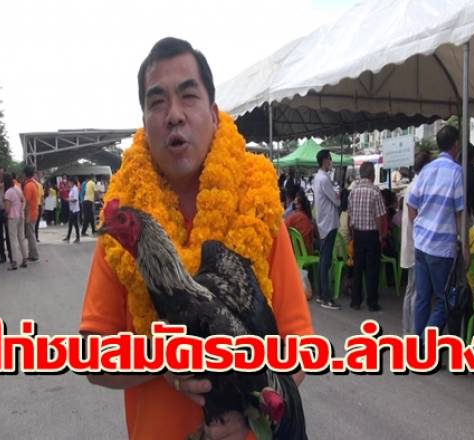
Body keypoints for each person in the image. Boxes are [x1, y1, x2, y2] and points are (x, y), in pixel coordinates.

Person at [79, 37, 312, 440]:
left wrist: (251, 414)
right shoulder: (123, 231)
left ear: (214, 115)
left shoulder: (258, 213)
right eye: (157, 102)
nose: (174, 115)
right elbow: (92, 358)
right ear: (145, 123)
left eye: (188, 96)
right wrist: (164, 358)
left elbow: (299, 350)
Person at [407, 125, 465, 339]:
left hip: (422, 243)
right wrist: (465, 248)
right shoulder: (456, 172)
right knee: (444, 300)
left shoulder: (426, 170)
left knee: (423, 298)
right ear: (456, 145)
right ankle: (424, 343)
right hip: (441, 248)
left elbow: (411, 204)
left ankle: (418, 346)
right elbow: (460, 214)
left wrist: (420, 227)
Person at [400, 151, 432, 335]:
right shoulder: (420, 186)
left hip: (411, 243)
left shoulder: (412, 186)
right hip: (417, 244)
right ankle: (412, 331)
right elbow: (416, 217)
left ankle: (408, 330)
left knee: (410, 289)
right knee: (416, 291)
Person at [348, 162, 386, 311]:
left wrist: (352, 234)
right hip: (371, 235)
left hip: (358, 234)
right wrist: (381, 235)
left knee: (357, 268)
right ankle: (372, 302)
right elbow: (379, 216)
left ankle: (355, 301)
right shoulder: (375, 191)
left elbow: (350, 216)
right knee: (372, 269)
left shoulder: (353, 191)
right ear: (372, 175)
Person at [312, 149, 341, 309]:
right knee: (326, 261)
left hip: (323, 222)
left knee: (323, 259)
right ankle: (326, 298)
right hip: (329, 223)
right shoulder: (324, 179)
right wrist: (338, 196)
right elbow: (336, 202)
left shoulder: (318, 177)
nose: (331, 162)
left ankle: (321, 294)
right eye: (330, 159)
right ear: (325, 160)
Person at [4, 174, 27, 271]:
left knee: (13, 240)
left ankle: (14, 262)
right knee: (21, 238)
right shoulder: (18, 188)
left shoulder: (8, 192)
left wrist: (5, 215)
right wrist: (21, 211)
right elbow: (24, 200)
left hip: (13, 217)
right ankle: (25, 259)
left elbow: (7, 209)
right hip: (21, 216)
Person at [285, 186, 315, 252]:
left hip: (295, 250)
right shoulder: (305, 217)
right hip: (306, 250)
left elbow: (284, 228)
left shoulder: (293, 216)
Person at [0, 167, 12, 264]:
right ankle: (2, 256)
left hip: (6, 210)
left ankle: (11, 255)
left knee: (8, 234)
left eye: (2, 174)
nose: (1, 176)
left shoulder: (8, 182)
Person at [22, 165, 40, 262]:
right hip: (34, 211)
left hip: (30, 213)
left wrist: (26, 216)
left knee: (31, 235)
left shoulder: (28, 185)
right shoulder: (34, 184)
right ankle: (32, 254)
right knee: (31, 234)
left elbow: (27, 202)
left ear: (25, 174)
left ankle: (34, 255)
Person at [63, 177, 80, 243]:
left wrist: (69, 200)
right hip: (71, 209)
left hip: (75, 210)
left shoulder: (75, 189)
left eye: (69, 182)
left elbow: (75, 199)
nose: (68, 183)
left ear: (72, 182)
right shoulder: (72, 189)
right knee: (70, 224)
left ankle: (78, 238)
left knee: (76, 225)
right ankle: (68, 237)